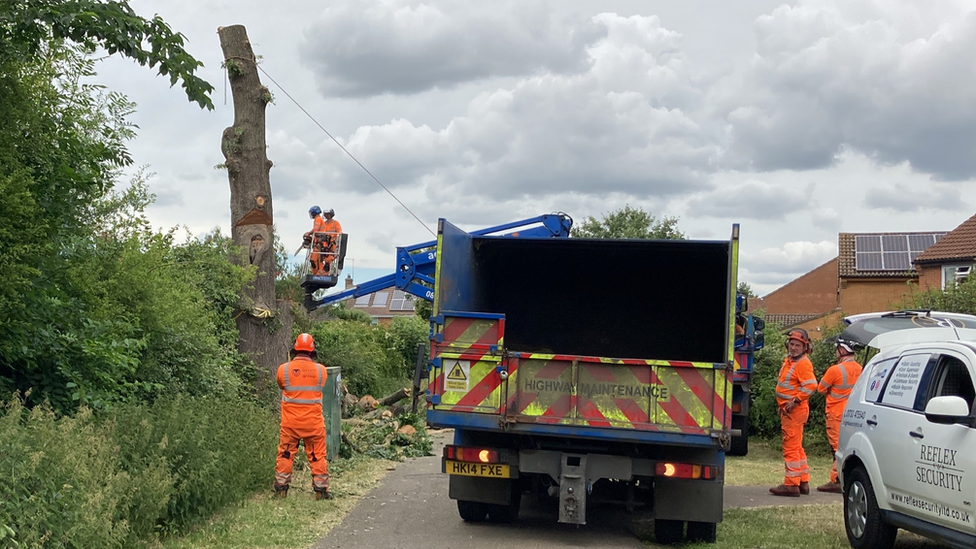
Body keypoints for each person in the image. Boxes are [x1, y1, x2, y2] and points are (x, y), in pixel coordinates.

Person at [274, 333, 332, 500]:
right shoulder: (321, 371)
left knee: (285, 454)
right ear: (313, 351)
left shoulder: (283, 369)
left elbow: (281, 385)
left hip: (290, 423)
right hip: (313, 423)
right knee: (317, 456)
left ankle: (281, 490)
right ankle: (320, 491)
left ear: (294, 348)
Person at [769, 328, 818, 497]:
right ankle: (802, 481)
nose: (793, 347)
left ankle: (791, 485)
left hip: (795, 411)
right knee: (797, 447)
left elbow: (811, 385)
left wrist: (795, 400)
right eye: (791, 344)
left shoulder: (803, 363)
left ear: (805, 347)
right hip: (789, 410)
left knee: (790, 447)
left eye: (797, 345)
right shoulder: (790, 361)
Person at [816, 338, 862, 493]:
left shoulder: (835, 370)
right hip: (852, 414)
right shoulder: (860, 368)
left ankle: (836, 479)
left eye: (837, 349)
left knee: (836, 448)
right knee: (849, 446)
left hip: (836, 414)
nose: (836, 352)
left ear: (842, 350)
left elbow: (821, 389)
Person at [304, 206, 342, 276]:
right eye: (325, 214)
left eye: (327, 214)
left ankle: (324, 273)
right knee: (315, 259)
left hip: (331, 243)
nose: (326, 216)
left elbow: (339, 232)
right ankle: (316, 273)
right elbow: (319, 232)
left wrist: (334, 239)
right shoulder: (323, 223)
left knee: (328, 260)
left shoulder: (335, 223)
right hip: (323, 243)